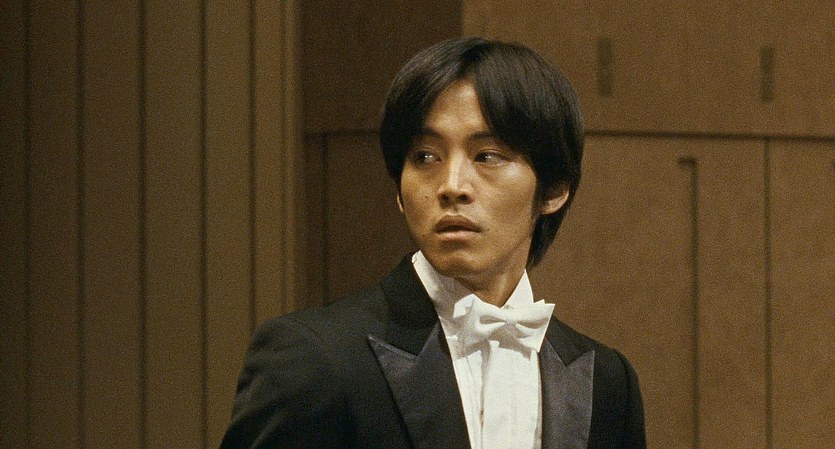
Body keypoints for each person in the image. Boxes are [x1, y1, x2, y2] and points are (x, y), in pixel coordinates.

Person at [220, 37, 646, 449]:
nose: (451, 185)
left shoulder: (606, 382)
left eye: (487, 156)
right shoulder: (314, 358)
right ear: (399, 190)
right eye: (425, 157)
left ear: (553, 190)